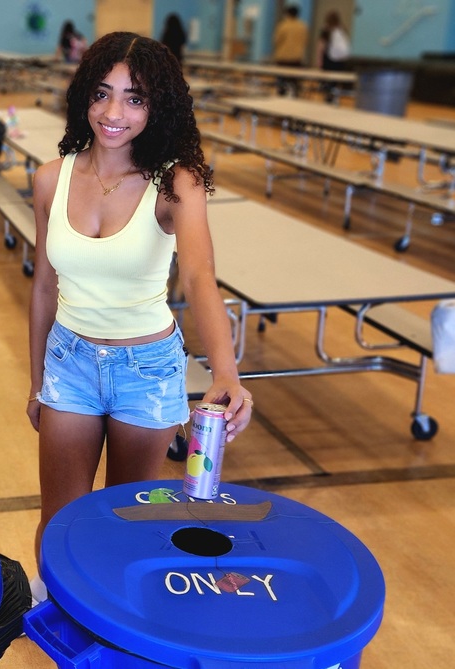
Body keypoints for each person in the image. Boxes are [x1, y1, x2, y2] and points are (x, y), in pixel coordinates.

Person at [26, 32, 252, 600]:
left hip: (147, 371)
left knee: (128, 519)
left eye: (135, 99)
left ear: (159, 107)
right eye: (102, 93)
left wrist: (225, 372)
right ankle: (65, 617)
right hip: (69, 363)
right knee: (61, 522)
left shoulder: (176, 183)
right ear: (84, 95)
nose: (112, 113)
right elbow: (44, 289)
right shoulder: (51, 178)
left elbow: (200, 278)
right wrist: (37, 383)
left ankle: (116, 624)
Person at [271, 5, 308, 95]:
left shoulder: (283, 26)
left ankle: (281, 98)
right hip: (296, 58)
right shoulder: (303, 26)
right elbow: (305, 41)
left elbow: (276, 41)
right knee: (294, 82)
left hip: (283, 58)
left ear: (287, 14)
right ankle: (294, 99)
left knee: (282, 82)